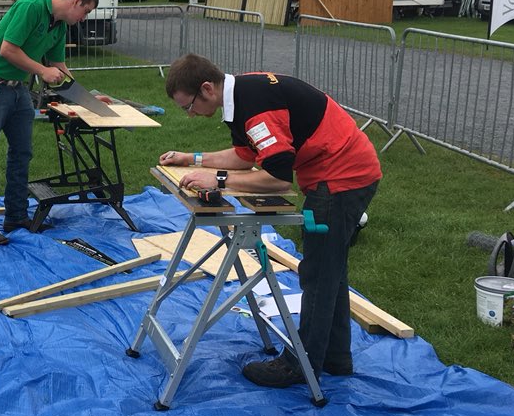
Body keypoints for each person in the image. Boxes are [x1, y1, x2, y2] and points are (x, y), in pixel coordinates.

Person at [158, 53, 381, 389]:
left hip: (342, 177)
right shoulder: (240, 99)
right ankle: (335, 358)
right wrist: (192, 159)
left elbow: (277, 179)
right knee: (330, 271)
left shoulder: (257, 107)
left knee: (318, 274)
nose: (189, 114)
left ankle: (299, 365)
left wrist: (217, 181)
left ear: (207, 89)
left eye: (188, 106)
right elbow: (246, 156)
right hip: (337, 170)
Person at [0, 0, 99, 244]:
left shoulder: (60, 25)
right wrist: (41, 71)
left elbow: (58, 66)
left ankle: (16, 215)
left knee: (22, 153)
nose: (84, 19)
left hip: (17, 90)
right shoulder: (31, 7)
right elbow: (7, 50)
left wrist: (89, 98)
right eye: (85, 12)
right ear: (76, 1)